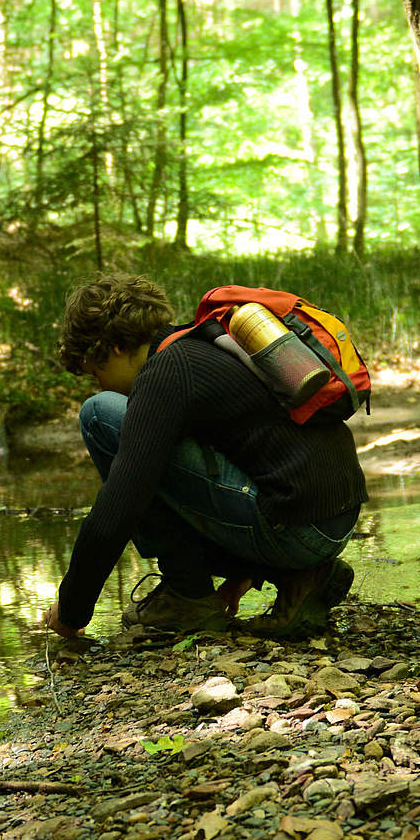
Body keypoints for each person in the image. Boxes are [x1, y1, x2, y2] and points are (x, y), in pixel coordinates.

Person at [44, 273, 368, 639]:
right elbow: (253, 453)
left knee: (99, 414)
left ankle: (189, 596)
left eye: (96, 371)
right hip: (331, 521)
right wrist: (241, 574)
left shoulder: (165, 373)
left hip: (297, 532)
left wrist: (71, 609)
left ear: (114, 347)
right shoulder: (209, 340)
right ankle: (299, 577)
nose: (100, 384)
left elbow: (119, 507)